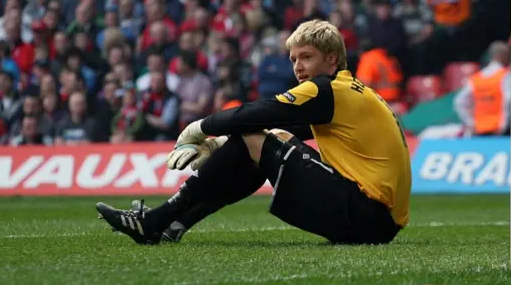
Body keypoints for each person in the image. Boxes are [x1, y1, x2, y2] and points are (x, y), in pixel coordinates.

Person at [95, 20, 411, 245]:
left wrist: (199, 128)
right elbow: (281, 127)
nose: (298, 67)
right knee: (272, 138)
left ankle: (155, 221)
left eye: (306, 57)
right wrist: (219, 143)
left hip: (366, 216)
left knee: (254, 138)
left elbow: (258, 112)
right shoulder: (350, 91)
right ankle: (176, 222)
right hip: (378, 222)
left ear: (331, 58)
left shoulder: (325, 90)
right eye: (293, 59)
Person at [453, 41, 511, 136]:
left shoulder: (476, 78)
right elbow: (508, 100)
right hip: (500, 131)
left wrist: (471, 123)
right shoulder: (505, 76)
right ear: (504, 56)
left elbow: (459, 101)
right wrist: (504, 124)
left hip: (479, 129)